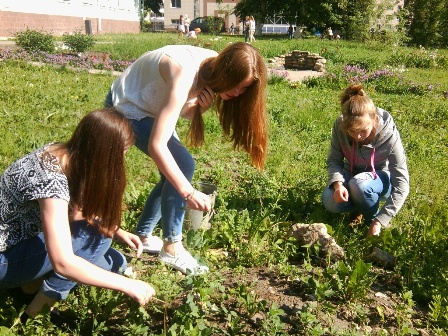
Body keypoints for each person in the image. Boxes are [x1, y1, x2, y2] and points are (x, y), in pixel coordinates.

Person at [104, 42, 268, 275]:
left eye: (244, 89)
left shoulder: (214, 65)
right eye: (237, 86)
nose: (238, 94)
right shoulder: (184, 73)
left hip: (150, 107)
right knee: (182, 164)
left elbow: (182, 110)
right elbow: (156, 145)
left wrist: (198, 109)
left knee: (174, 170)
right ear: (225, 73)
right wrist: (188, 192)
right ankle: (172, 246)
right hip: (126, 104)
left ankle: (144, 233)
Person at [0, 108, 156, 323]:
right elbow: (63, 263)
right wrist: (130, 286)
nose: (124, 159)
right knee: (96, 237)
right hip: (3, 261)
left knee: (115, 262)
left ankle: (29, 286)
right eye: (123, 152)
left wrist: (118, 230)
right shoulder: (51, 183)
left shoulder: (57, 152)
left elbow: (73, 211)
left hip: (15, 244)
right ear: (104, 153)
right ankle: (35, 312)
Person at [321, 84, 409, 237]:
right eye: (352, 131)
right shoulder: (339, 125)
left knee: (359, 184)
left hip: (380, 180)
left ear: (374, 119)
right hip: (351, 174)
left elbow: (402, 183)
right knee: (329, 200)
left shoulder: (389, 134)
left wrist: (380, 220)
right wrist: (337, 185)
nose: (358, 136)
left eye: (363, 130)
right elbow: (334, 160)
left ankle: (374, 223)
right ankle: (359, 208)